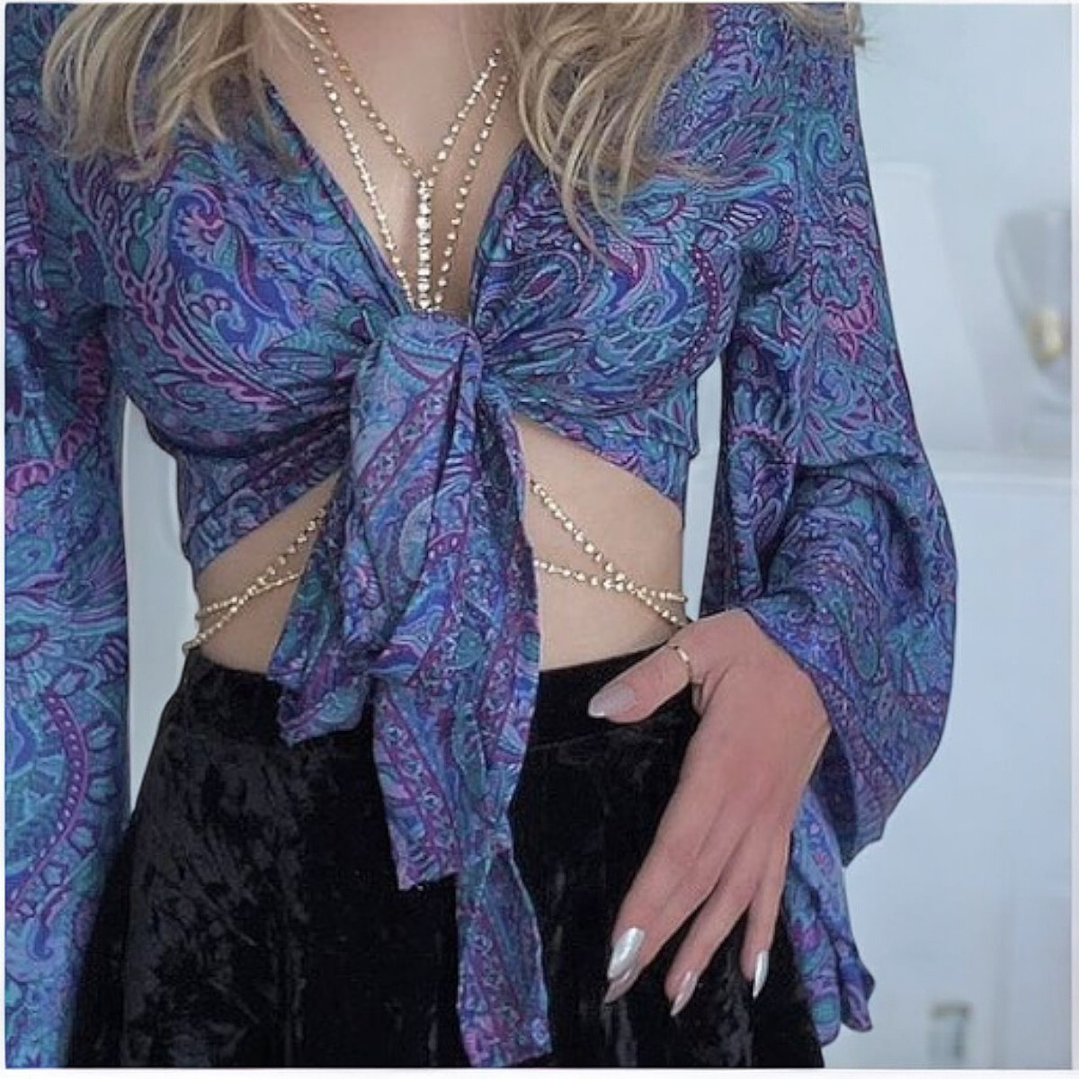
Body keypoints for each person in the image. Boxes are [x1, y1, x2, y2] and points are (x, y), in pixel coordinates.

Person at [5, 0, 958, 1068]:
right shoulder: (77, 36)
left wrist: (801, 661)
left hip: (639, 845)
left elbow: (855, 454)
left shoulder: (743, 25)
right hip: (237, 890)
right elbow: (27, 612)